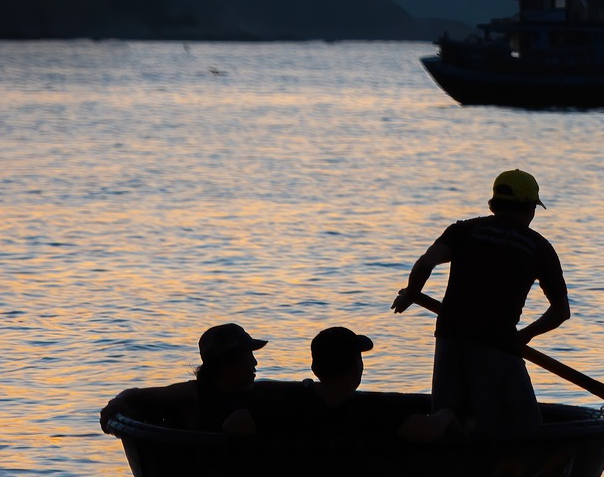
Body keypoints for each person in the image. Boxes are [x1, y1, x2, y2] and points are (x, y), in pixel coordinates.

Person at [393, 169, 569, 433]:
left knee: (449, 418)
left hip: (449, 337)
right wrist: (524, 336)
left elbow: (426, 262)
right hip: (497, 344)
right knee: (527, 426)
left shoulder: (464, 230)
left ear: (495, 203)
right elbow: (560, 312)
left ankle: (445, 421)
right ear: (530, 208)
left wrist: (411, 293)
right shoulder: (538, 247)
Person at [265, 326, 456, 443]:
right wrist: (447, 413)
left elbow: (238, 422)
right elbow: (428, 432)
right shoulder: (375, 412)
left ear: (315, 369)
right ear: (357, 369)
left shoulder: (290, 407)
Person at [100, 323, 268, 434]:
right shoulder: (193, 394)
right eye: (248, 355)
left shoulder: (257, 394)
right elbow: (132, 395)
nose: (254, 362)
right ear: (227, 362)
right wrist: (115, 406)